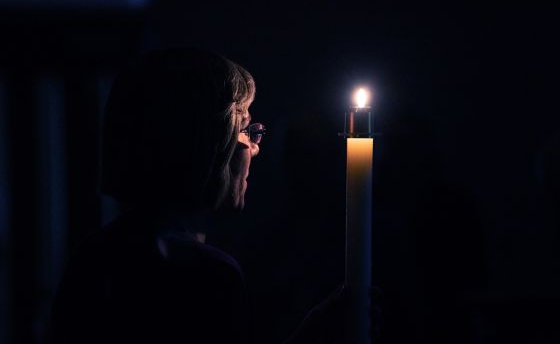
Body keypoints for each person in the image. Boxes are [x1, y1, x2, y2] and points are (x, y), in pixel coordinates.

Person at [49, 48, 347, 344]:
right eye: (244, 130)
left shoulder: (94, 256)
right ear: (207, 144)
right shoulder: (204, 273)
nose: (255, 148)